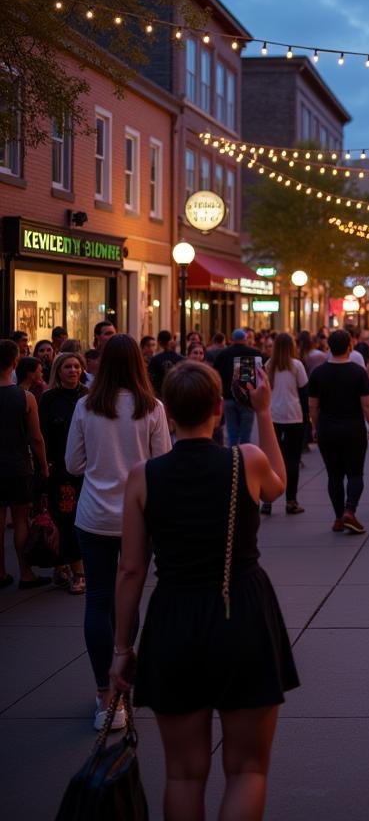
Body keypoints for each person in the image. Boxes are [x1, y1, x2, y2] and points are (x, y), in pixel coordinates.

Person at [110, 360, 299, 821]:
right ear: (219, 406)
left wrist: (121, 648)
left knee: (183, 774)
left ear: (166, 412)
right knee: (248, 770)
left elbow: (131, 570)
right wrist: (264, 412)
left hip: (174, 617)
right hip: (243, 612)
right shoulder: (246, 460)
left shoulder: (143, 476)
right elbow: (279, 486)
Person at [65, 333, 171, 730]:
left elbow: (74, 464)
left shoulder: (86, 407)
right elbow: (163, 462)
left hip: (93, 515)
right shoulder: (152, 408)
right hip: (137, 517)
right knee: (127, 602)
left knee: (98, 600)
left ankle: (102, 695)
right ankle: (122, 686)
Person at [308, 329, 369, 535]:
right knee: (355, 473)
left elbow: (313, 406)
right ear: (350, 346)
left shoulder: (318, 373)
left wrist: (315, 426)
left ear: (329, 347)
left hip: (328, 428)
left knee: (334, 475)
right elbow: (367, 405)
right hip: (353, 428)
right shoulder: (358, 372)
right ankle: (350, 510)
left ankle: (338, 517)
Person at [38, 351, 89, 595]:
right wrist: (44, 464)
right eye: (68, 367)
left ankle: (74, 568)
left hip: (85, 469)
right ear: (58, 370)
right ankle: (70, 569)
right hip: (59, 470)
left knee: (78, 519)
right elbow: (43, 434)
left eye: (77, 367)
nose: (73, 371)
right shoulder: (49, 399)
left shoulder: (88, 397)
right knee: (63, 518)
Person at [0, 339, 50, 590]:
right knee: (21, 520)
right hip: (18, 464)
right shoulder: (26, 397)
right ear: (15, 362)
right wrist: (43, 465)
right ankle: (25, 572)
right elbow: (36, 437)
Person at [265, 332, 308, 516]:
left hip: (273, 416)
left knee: (271, 459)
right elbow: (304, 392)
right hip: (294, 416)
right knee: (292, 459)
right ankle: (291, 500)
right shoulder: (296, 365)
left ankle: (267, 501)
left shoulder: (269, 365)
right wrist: (308, 418)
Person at [214, 329, 259, 446]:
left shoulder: (223, 355)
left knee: (232, 433)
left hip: (228, 397)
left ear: (232, 340)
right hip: (246, 398)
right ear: (245, 339)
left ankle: (233, 458)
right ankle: (244, 459)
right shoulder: (252, 353)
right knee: (245, 435)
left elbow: (215, 374)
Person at [148, 329, 183, 395]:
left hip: (161, 393)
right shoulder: (181, 359)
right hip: (177, 392)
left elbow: (151, 378)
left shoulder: (155, 359)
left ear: (159, 342)